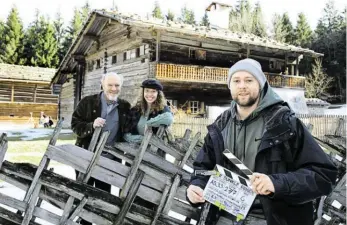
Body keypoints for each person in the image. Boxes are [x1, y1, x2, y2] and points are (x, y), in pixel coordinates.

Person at [186, 58, 337, 225]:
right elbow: (202, 168)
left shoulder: (284, 123)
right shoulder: (220, 126)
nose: (242, 85)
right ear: (229, 86)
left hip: (272, 219)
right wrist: (196, 185)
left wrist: (276, 184)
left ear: (261, 84)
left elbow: (323, 176)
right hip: (224, 217)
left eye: (249, 80)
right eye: (236, 81)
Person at [71, 72, 131, 225]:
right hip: (85, 157)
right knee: (84, 194)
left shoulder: (124, 107)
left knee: (104, 198)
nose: (113, 88)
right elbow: (75, 125)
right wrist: (91, 125)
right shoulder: (88, 102)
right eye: (110, 85)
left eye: (117, 85)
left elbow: (130, 129)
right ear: (102, 84)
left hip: (110, 162)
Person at [123, 79, 173, 143]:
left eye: (153, 91)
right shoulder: (135, 110)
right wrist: (144, 139)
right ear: (143, 92)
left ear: (158, 93)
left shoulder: (162, 108)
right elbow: (126, 135)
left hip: (155, 151)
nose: (150, 94)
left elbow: (169, 118)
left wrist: (148, 123)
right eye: (147, 91)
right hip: (135, 149)